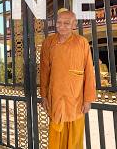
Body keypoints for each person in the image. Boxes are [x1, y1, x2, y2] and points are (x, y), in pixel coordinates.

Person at [40, 9, 96, 149]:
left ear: (74, 24)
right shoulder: (48, 42)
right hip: (56, 97)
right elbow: (44, 71)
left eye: (66, 23)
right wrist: (44, 96)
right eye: (59, 22)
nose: (62, 26)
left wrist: (88, 99)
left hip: (76, 99)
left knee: (75, 139)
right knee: (55, 137)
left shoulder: (82, 42)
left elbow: (89, 71)